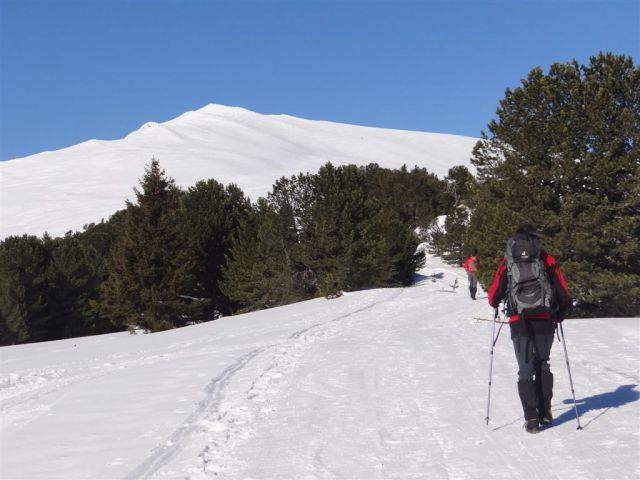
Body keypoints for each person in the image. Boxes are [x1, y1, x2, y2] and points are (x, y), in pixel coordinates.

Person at [488, 224, 570, 433]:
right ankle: (545, 411)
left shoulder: (509, 259)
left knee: (525, 369)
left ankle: (531, 418)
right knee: (542, 363)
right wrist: (561, 311)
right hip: (544, 317)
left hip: (519, 320)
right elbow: (562, 288)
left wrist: (496, 303)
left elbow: (494, 294)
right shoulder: (545, 257)